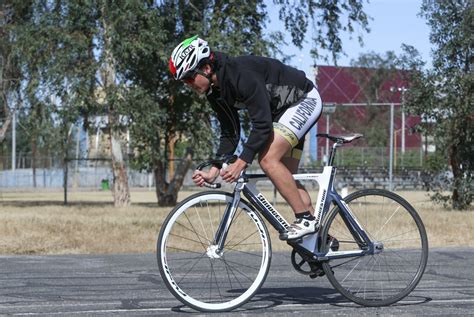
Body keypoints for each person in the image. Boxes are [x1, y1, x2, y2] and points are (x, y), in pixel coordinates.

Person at [169, 35, 323, 240]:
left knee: (267, 160)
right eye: (183, 81)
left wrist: (242, 162)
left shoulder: (240, 75)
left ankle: (306, 219)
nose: (188, 84)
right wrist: (214, 169)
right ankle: (321, 243)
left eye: (188, 78)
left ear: (205, 68)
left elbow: (262, 124)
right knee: (286, 177)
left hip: (303, 100)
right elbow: (230, 131)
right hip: (281, 112)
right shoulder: (214, 91)